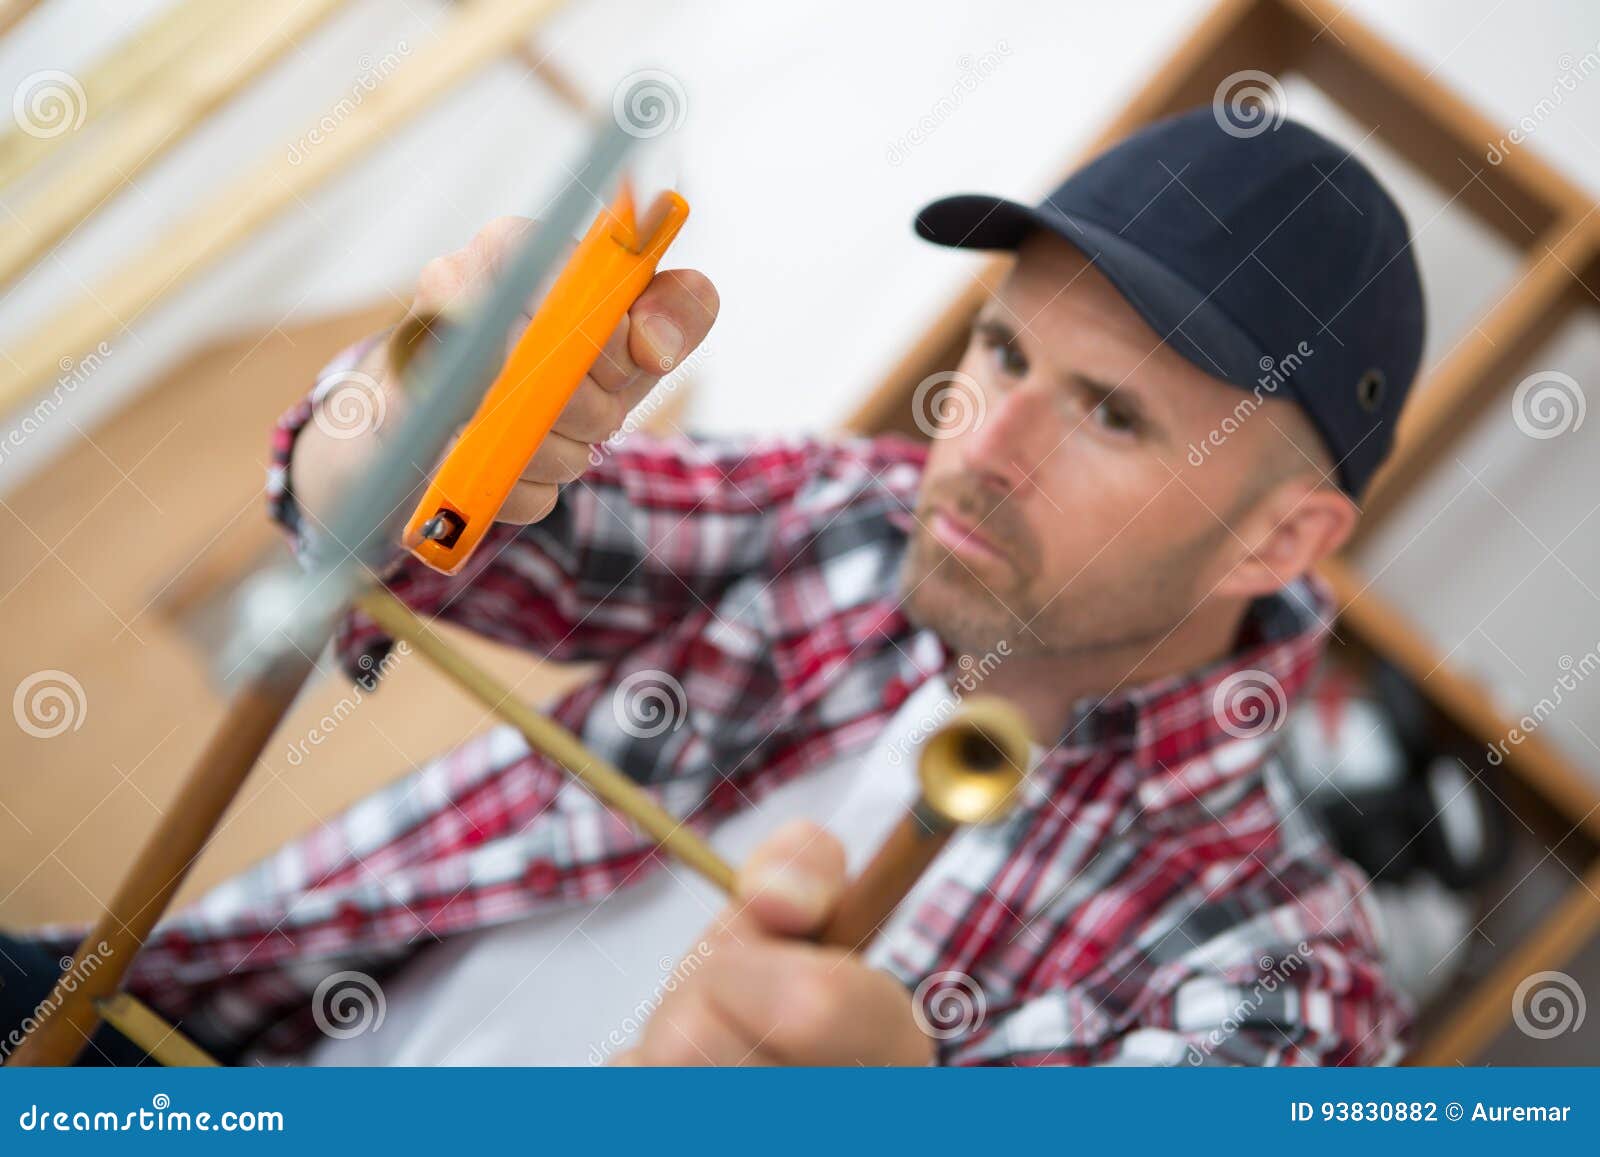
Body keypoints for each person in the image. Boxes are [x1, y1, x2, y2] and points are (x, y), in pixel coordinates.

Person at [12, 107, 1424, 1066]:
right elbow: (378, 528)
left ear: (1276, 542)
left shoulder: (1281, 974)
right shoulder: (851, 518)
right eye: (1002, 353)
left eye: (1110, 415)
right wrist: (409, 414)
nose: (982, 444)